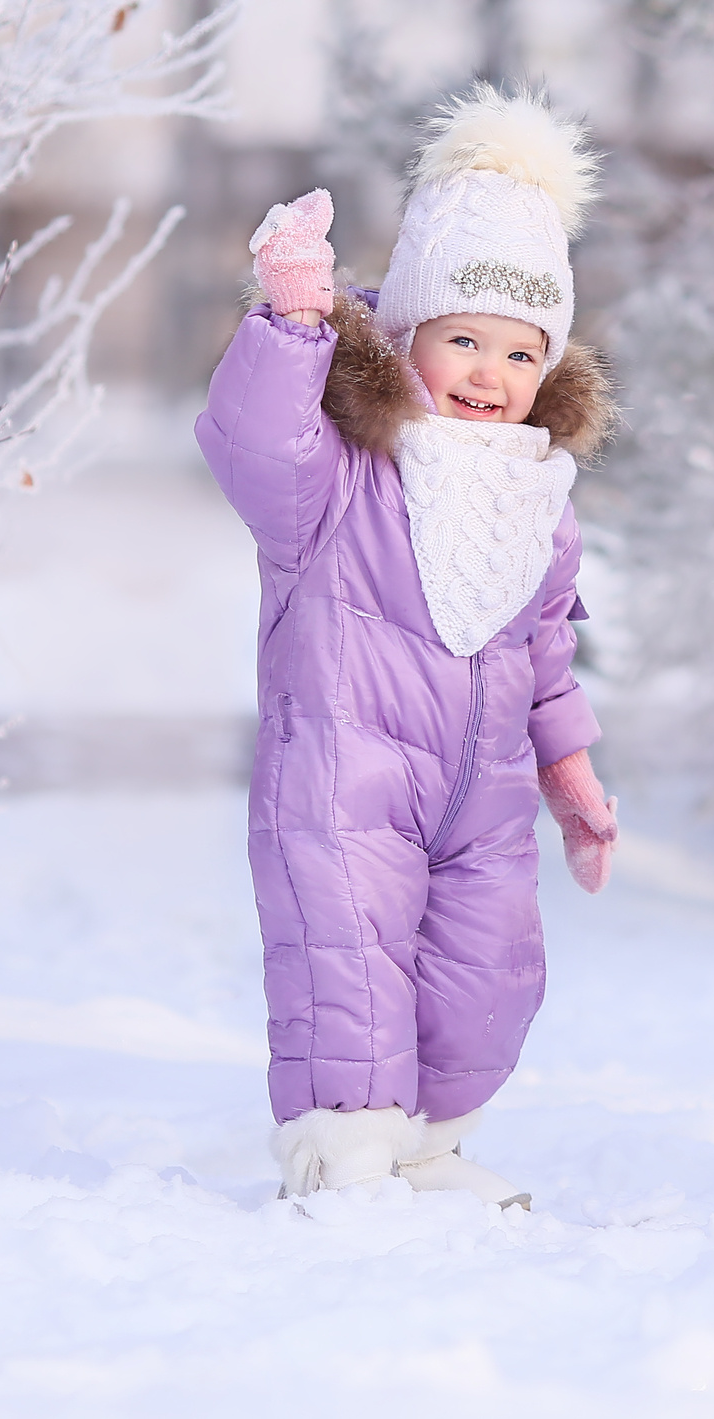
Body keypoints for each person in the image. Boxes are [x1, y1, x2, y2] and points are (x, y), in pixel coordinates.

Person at [196, 84, 621, 1209]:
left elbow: (543, 642)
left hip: (480, 796)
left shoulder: (540, 495)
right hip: (347, 771)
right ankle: (343, 1155)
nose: (489, 375)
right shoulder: (338, 472)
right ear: (410, 338)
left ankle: (430, 1149)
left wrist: (567, 767)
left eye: (519, 353)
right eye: (464, 341)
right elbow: (256, 446)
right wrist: (292, 322)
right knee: (351, 963)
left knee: (491, 976)